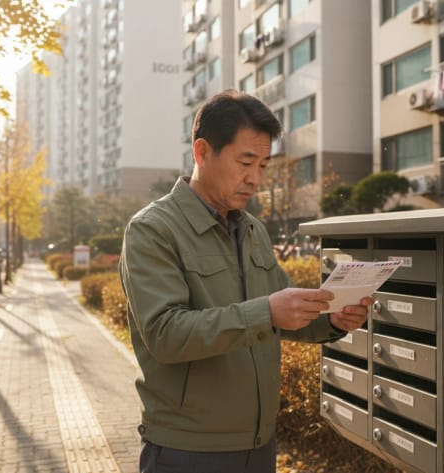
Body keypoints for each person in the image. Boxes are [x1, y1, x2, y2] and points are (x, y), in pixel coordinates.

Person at [119, 90, 371, 473]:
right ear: (202, 152)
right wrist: (266, 312)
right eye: (246, 162)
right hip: (187, 449)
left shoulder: (252, 230)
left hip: (259, 443)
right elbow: (165, 335)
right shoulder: (153, 230)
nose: (255, 179)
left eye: (264, 165)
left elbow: (283, 311)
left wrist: (332, 320)